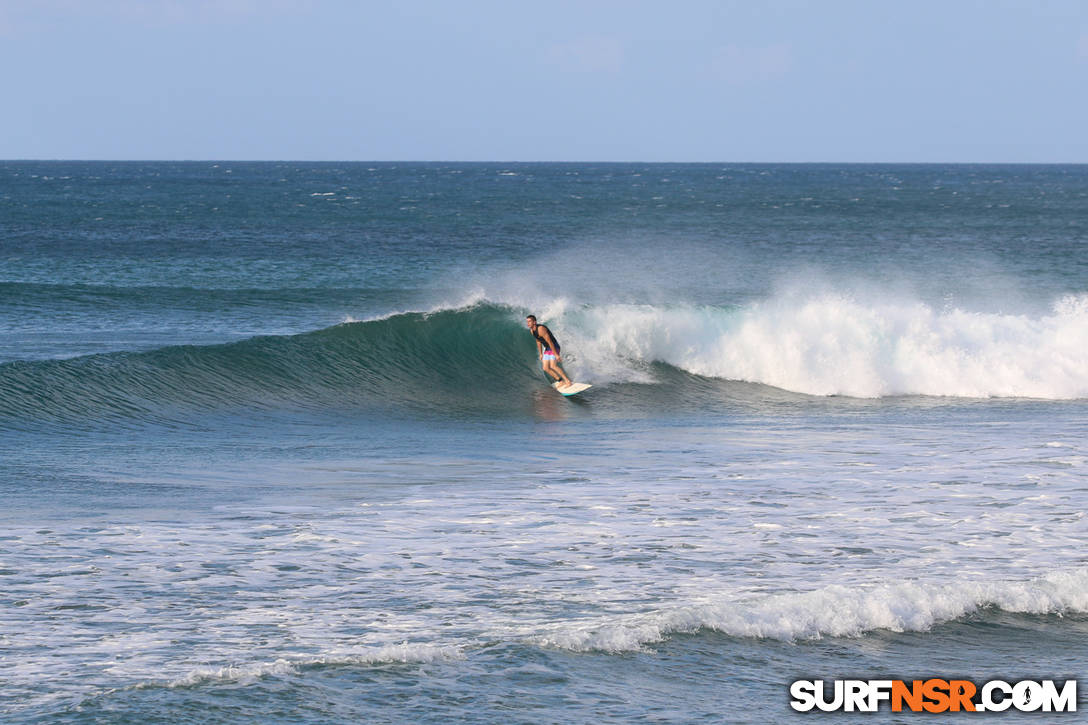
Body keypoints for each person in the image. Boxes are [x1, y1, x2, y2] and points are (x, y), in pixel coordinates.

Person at [526, 315, 573, 389]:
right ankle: (560, 381)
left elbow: (550, 342)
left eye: (529, 321)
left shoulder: (541, 329)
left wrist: (556, 355)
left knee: (553, 366)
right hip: (547, 349)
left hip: (554, 346)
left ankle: (568, 381)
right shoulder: (532, 331)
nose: (527, 323)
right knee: (545, 368)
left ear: (534, 322)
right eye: (527, 322)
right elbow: (538, 341)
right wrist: (541, 353)